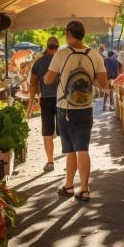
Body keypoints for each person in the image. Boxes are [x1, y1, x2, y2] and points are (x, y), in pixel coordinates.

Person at [44, 21, 107, 202]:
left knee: (70, 149)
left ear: (69, 33)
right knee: (83, 148)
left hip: (65, 107)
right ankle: (85, 190)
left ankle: (69, 186)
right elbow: (103, 84)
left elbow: (48, 80)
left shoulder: (61, 53)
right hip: (85, 107)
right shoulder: (94, 54)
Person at [27, 37, 59, 172]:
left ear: (47, 46)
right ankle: (71, 159)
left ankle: (50, 162)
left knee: (47, 132)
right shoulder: (61, 60)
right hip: (61, 100)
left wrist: (29, 107)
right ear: (57, 47)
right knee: (66, 130)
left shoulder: (38, 63)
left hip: (45, 100)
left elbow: (33, 85)